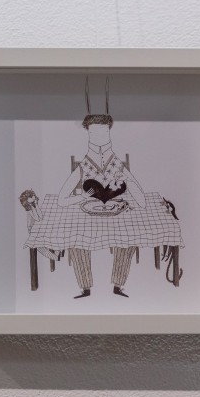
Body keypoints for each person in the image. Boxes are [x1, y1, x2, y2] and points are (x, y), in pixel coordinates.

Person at [57, 79, 146, 299]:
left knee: (128, 236)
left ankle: (118, 284)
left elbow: (140, 197)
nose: (99, 137)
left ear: (109, 132)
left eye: (103, 132)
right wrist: (82, 197)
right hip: (89, 216)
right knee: (76, 238)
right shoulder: (83, 166)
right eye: (94, 132)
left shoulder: (117, 164)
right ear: (88, 133)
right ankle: (85, 287)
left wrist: (130, 198)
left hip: (116, 215)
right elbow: (61, 200)